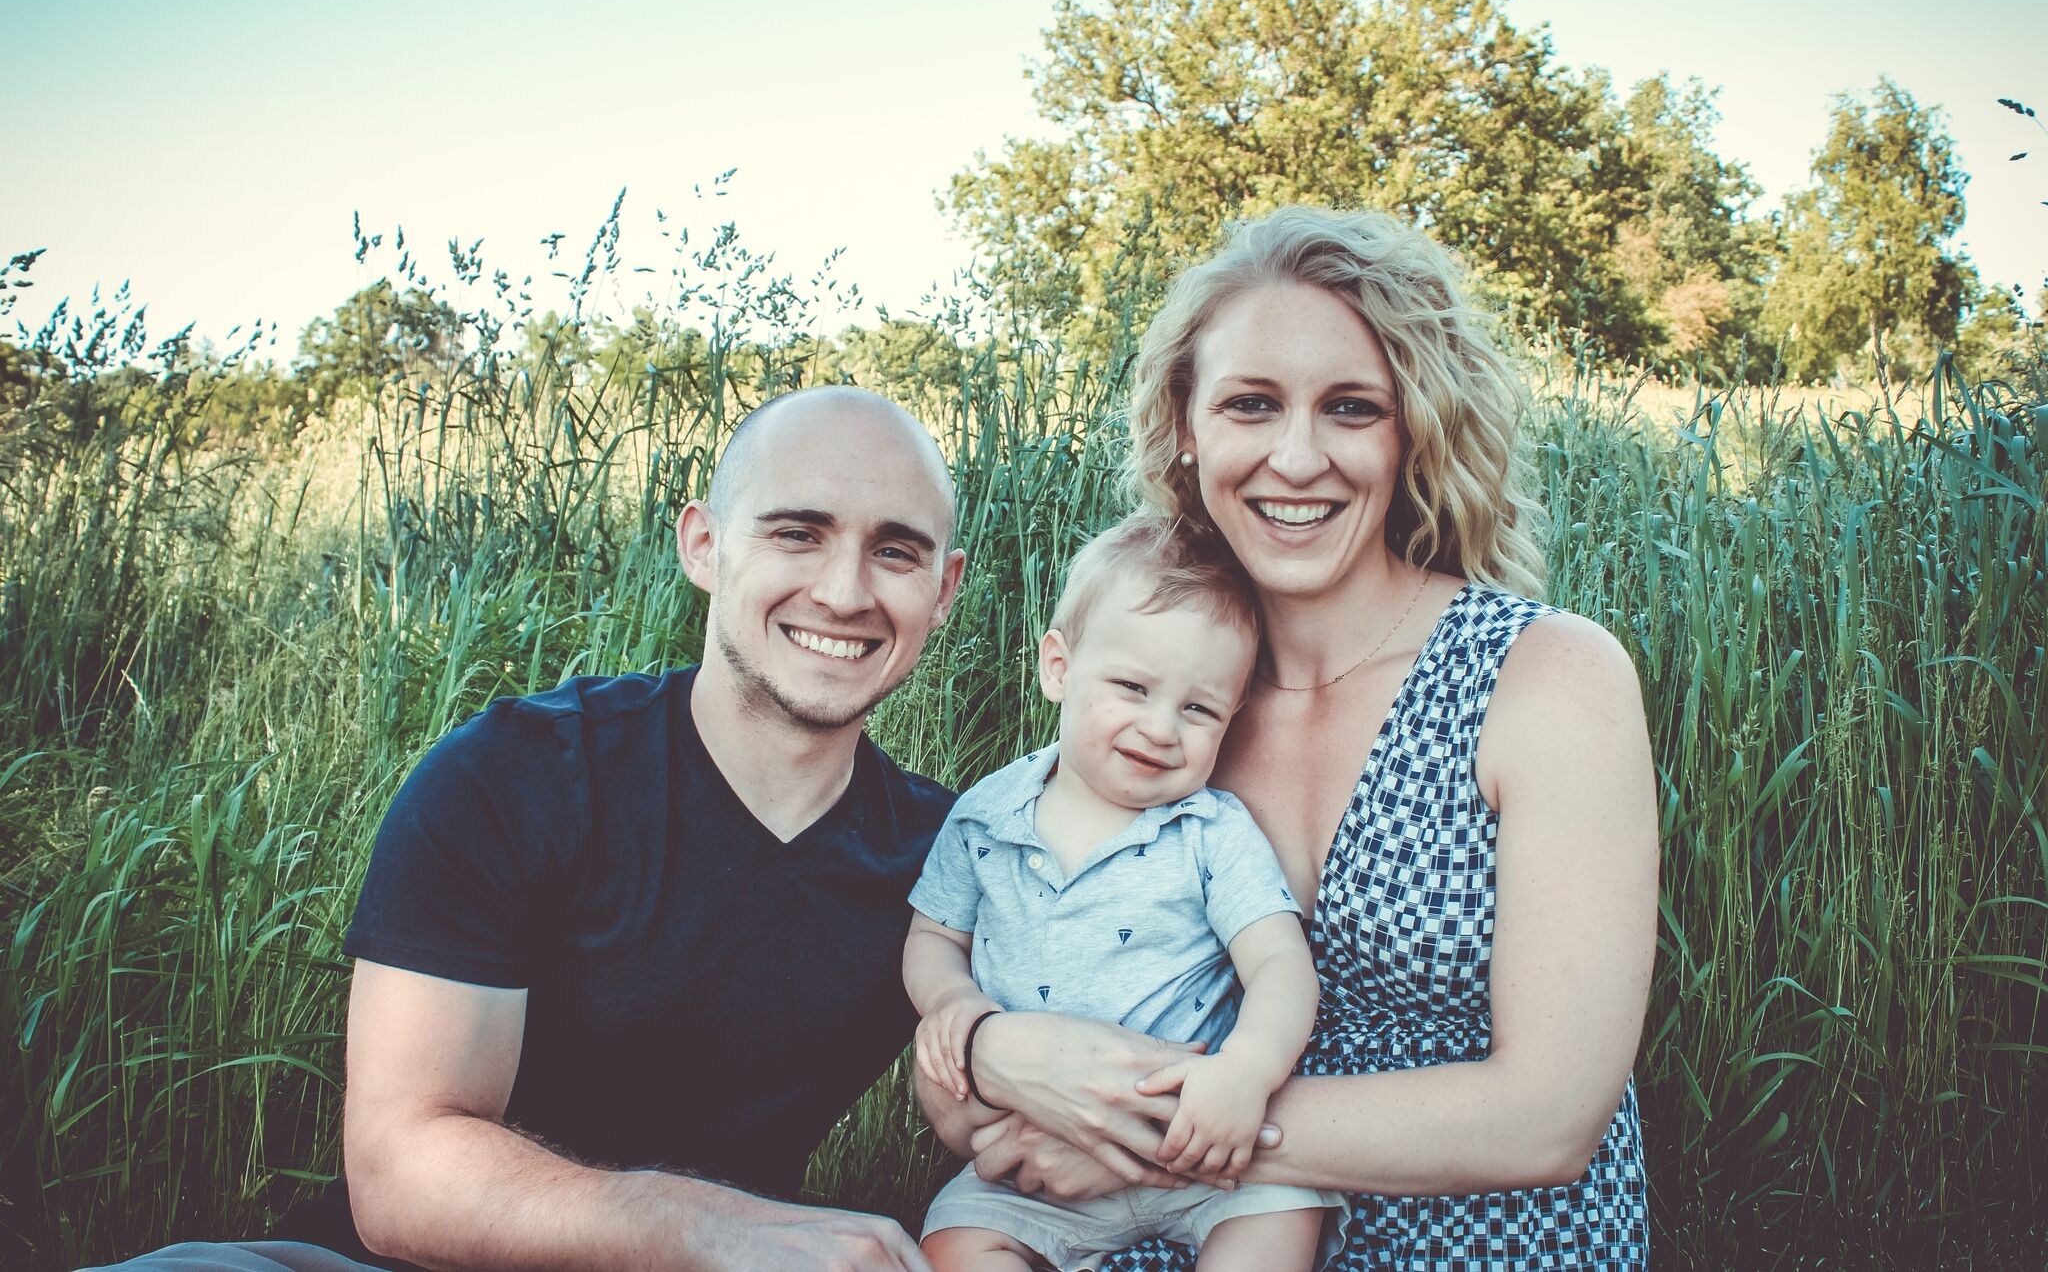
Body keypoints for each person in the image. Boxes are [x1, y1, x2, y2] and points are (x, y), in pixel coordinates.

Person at [914, 207, 1659, 1270]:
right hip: (1165, 1238)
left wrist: (1144, 1140)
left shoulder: (1545, 678)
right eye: (1250, 404)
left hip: (1480, 1241)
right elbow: (1003, 955)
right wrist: (984, 1059)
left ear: (1413, 431)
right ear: (1187, 425)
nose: (1296, 457)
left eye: (1350, 408)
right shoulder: (1163, 701)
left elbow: (1547, 1117)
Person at [89, 386, 965, 1272]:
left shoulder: (951, 861)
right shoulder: (517, 776)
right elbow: (400, 1172)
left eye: (896, 551)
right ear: (702, 544)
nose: (845, 590)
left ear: (944, 589)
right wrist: (706, 1227)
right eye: (796, 533)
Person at [903, 514, 1343, 1271]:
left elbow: (1280, 963)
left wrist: (1246, 1071)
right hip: (1034, 1154)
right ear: (1058, 668)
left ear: (1232, 717)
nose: (1160, 727)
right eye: (1132, 687)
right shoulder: (986, 815)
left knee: (1284, 1208)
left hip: (1198, 1145)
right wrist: (953, 1005)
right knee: (953, 1240)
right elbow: (935, 934)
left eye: (1198, 708)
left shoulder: (1212, 831)